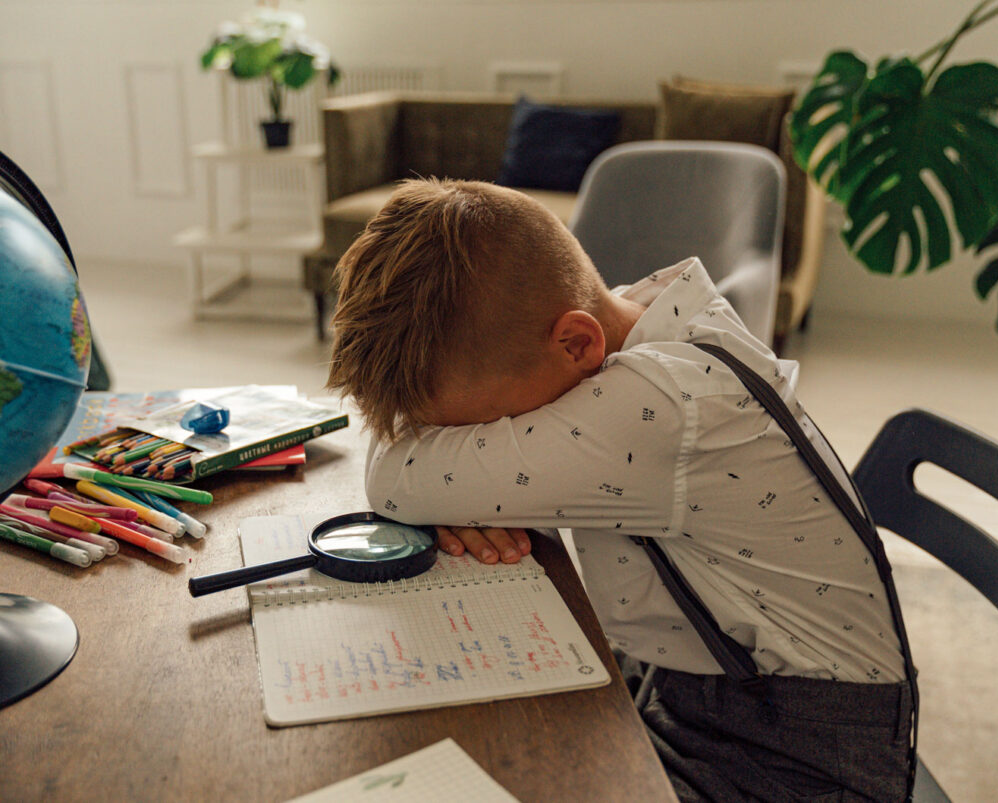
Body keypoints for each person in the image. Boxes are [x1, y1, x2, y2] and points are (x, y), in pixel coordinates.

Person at [327, 177, 915, 802]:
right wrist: (455, 483)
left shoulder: (660, 404)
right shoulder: (637, 318)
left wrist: (444, 485)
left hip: (798, 757)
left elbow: (395, 480)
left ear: (577, 343)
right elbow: (414, 474)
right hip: (696, 686)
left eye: (479, 430)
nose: (475, 443)